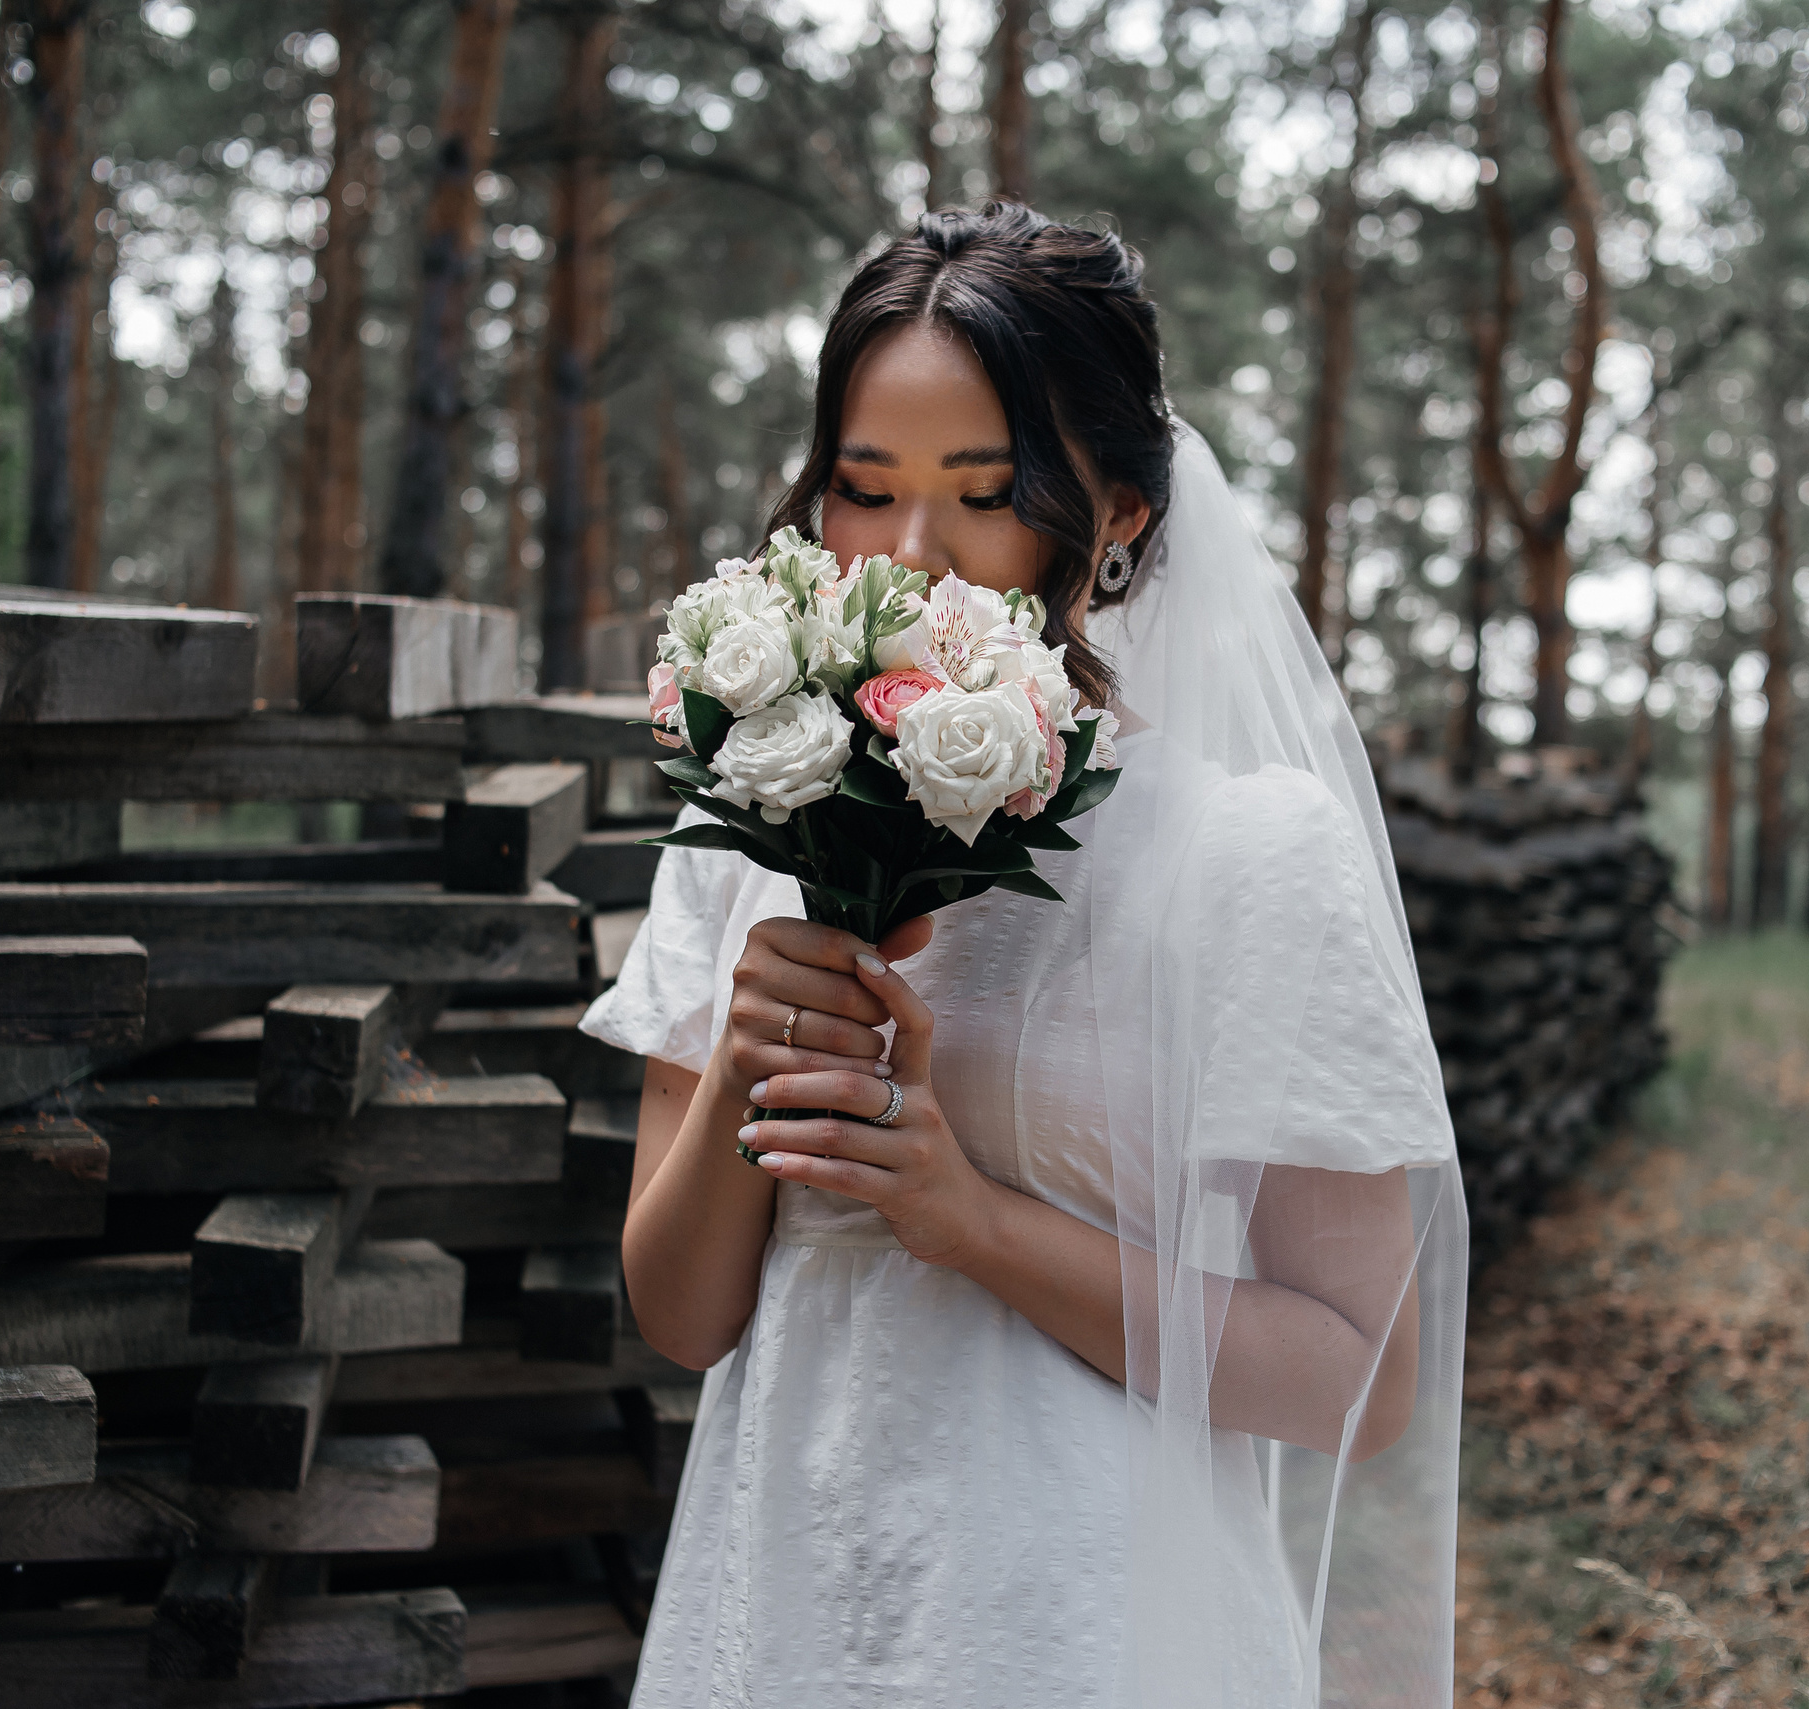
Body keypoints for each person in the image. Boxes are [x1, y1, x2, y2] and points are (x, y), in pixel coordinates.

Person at [581, 202, 1468, 1708]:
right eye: (862, 491)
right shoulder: (748, 825)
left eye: (984, 494)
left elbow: (1360, 1375)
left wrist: (970, 1218)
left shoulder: (1241, 855)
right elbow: (682, 1316)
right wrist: (743, 1058)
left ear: (1116, 512)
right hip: (783, 1604)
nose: (910, 556)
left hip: (1094, 1628)